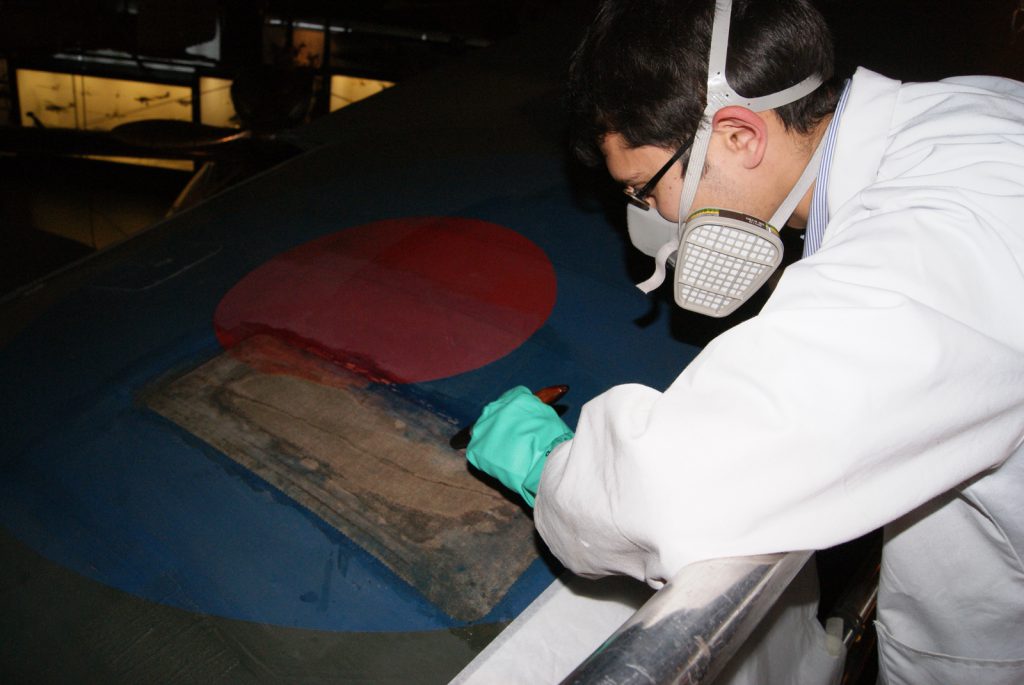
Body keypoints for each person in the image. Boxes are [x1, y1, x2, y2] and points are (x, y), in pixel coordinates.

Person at [463, 0, 1024, 683]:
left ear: (736, 135)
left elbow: (674, 489)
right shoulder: (967, 114)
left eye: (643, 189)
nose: (653, 219)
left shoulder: (917, 261)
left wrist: (550, 464)